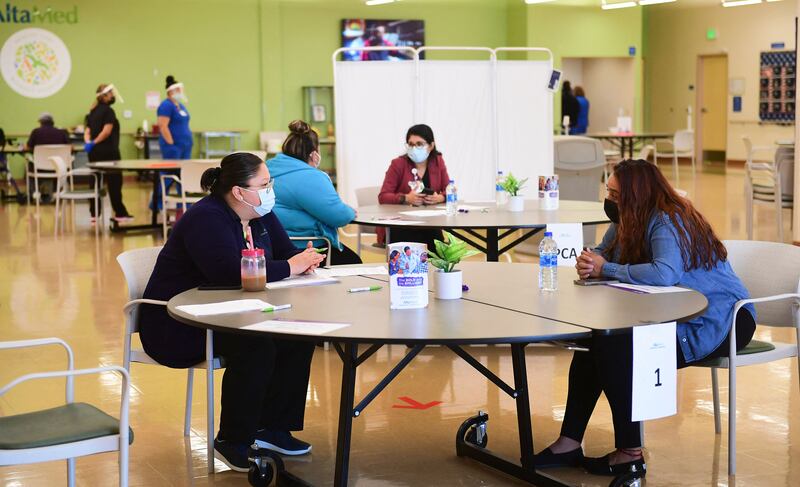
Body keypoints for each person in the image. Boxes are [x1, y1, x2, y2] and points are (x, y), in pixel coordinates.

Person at [533, 159, 756, 477]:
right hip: (676, 314)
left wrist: (605, 268)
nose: (608, 199)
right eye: (607, 191)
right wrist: (591, 260)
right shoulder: (629, 216)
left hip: (721, 320)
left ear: (636, 195)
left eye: (614, 193)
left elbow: (665, 273)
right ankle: (569, 442)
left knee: (618, 349)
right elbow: (604, 251)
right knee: (595, 341)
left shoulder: (667, 220)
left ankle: (630, 452)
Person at [138, 152, 325, 471]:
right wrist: (290, 267)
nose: (270, 190)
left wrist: (304, 260)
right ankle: (233, 440)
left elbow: (285, 252)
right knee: (256, 345)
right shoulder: (206, 217)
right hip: (177, 323)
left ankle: (272, 428)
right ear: (239, 191)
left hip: (230, 311)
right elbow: (226, 272)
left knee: (297, 335)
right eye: (264, 184)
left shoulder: (259, 212)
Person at [268, 120, 361, 265]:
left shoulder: (268, 167)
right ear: (314, 154)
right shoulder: (311, 176)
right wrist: (350, 212)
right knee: (354, 262)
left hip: (272, 245)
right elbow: (339, 217)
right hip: (305, 246)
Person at [378, 124, 450, 251]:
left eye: (419, 144)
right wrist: (406, 198)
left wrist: (440, 197)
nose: (414, 148)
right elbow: (383, 196)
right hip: (401, 225)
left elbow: (450, 190)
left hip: (431, 223)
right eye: (410, 144)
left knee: (437, 245)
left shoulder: (438, 162)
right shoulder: (398, 164)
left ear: (431, 146)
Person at [85, 83, 133, 223]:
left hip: (94, 153)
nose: (113, 96)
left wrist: (89, 143)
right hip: (109, 153)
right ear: (104, 96)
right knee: (114, 183)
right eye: (111, 93)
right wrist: (95, 142)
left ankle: (94, 214)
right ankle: (120, 213)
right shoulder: (108, 111)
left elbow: (87, 131)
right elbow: (106, 131)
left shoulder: (92, 111)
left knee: (94, 182)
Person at [24, 112, 70, 201]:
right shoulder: (61, 132)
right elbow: (70, 147)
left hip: (39, 168)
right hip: (57, 167)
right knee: (62, 165)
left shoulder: (36, 132)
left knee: (29, 165)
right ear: (52, 122)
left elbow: (28, 147)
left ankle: (35, 193)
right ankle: (56, 192)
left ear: (40, 122)